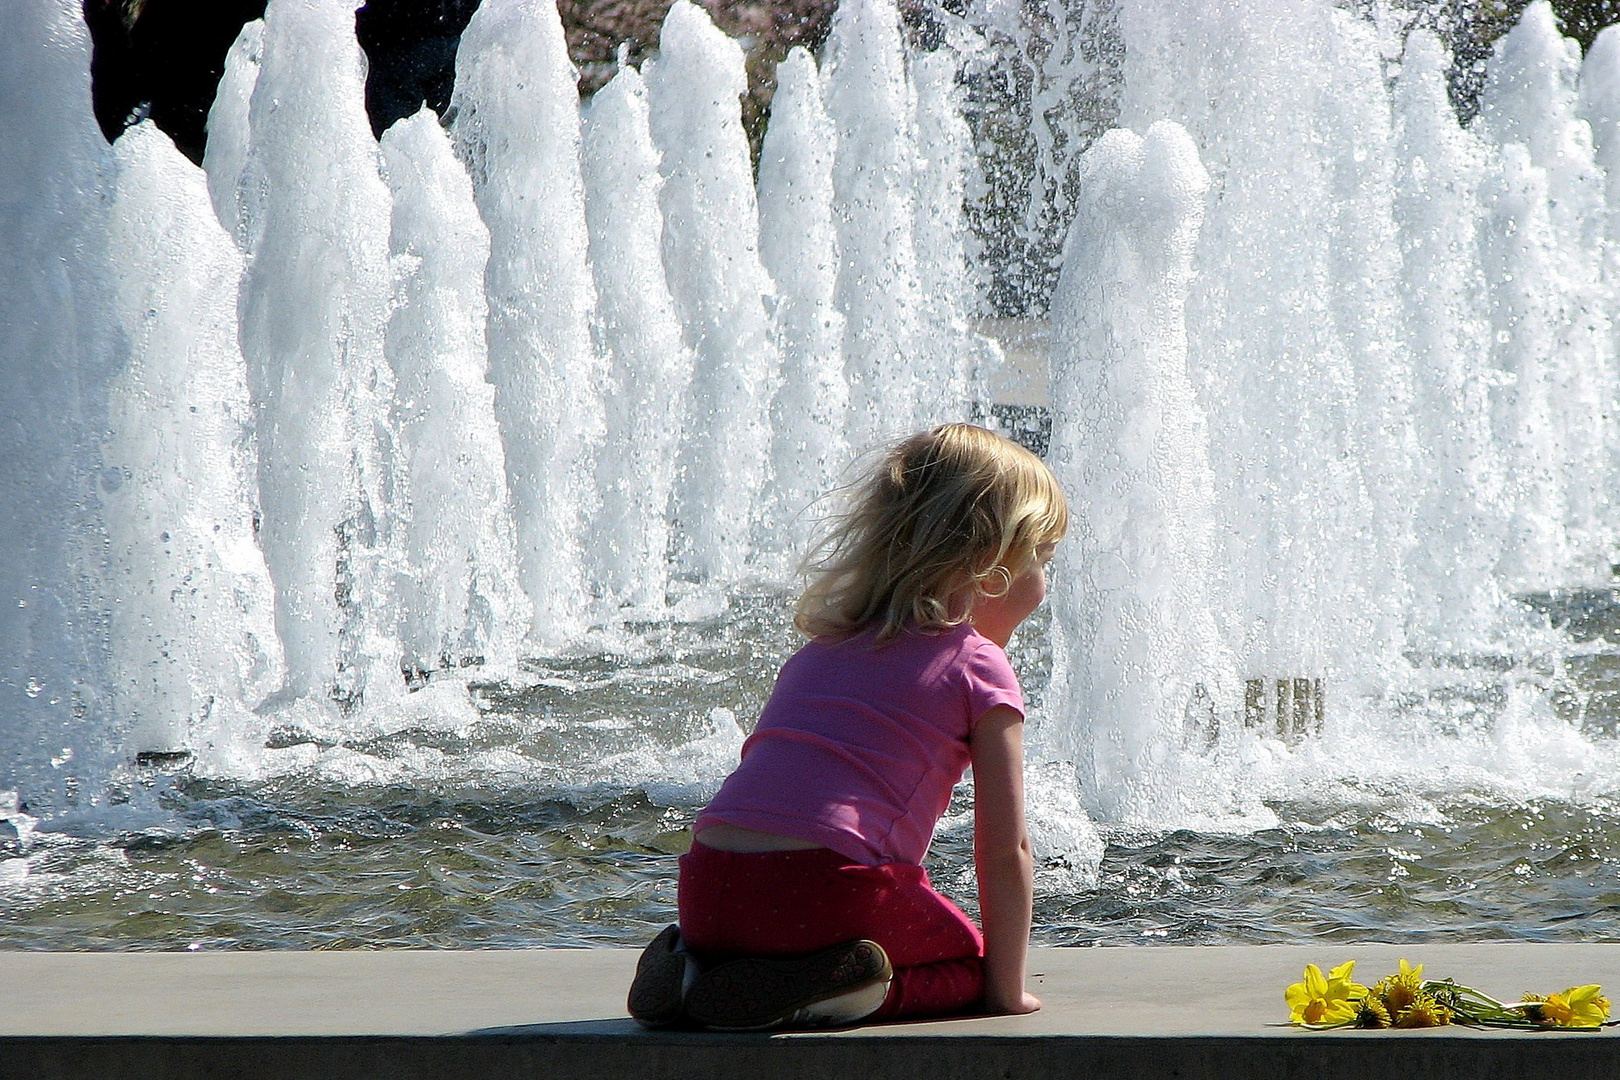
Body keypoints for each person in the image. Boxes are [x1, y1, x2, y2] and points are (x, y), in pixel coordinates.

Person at [627, 422, 1067, 1031]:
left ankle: (692, 971)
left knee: (766, 928)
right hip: (824, 894)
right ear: (993, 567)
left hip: (706, 893)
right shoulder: (978, 666)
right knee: (970, 964)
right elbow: (1005, 846)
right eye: (1042, 561)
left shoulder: (819, 651)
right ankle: (825, 991)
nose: (1045, 587)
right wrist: (1005, 991)